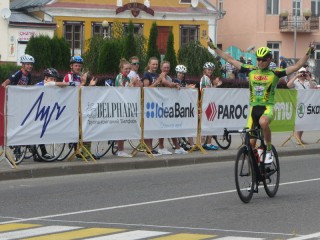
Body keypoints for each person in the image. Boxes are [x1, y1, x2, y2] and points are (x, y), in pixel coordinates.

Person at [208, 39, 315, 164]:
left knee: (264, 122)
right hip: (254, 109)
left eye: (263, 59)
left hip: (267, 108)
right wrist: (214, 48)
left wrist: (309, 51)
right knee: (250, 144)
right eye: (258, 59)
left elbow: (296, 66)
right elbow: (230, 59)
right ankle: (255, 169)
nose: (260, 62)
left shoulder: (275, 73)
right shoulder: (251, 70)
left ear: (269, 60)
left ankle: (268, 149)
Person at [156, 61, 187, 155]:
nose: (166, 69)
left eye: (168, 67)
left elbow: (171, 84)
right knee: (163, 126)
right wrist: (175, 85)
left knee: (170, 126)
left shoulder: (168, 77)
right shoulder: (161, 75)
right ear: (161, 68)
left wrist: (174, 85)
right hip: (160, 104)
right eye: (164, 67)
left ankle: (177, 147)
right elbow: (168, 84)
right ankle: (161, 147)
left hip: (167, 104)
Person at [287, 67, 316, 144]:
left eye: (304, 72)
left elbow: (313, 88)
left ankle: (299, 138)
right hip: (297, 103)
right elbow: (288, 85)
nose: (302, 74)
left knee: (304, 122)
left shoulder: (307, 82)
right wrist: (296, 76)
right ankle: (297, 139)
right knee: (298, 122)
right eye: (301, 72)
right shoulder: (295, 82)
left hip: (306, 103)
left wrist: (309, 78)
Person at [114, 58, 136, 158]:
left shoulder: (127, 78)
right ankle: (120, 150)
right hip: (120, 105)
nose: (127, 71)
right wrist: (132, 83)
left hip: (126, 105)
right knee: (121, 128)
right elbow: (122, 90)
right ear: (121, 69)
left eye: (129, 69)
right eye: (126, 69)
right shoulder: (120, 77)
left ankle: (120, 148)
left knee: (124, 128)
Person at [200, 62, 219, 151]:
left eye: (211, 70)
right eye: (208, 69)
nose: (210, 71)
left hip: (207, 103)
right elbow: (208, 92)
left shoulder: (206, 78)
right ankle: (208, 143)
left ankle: (204, 142)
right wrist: (215, 85)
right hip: (206, 104)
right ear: (205, 70)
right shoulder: (205, 79)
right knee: (210, 123)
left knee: (207, 123)